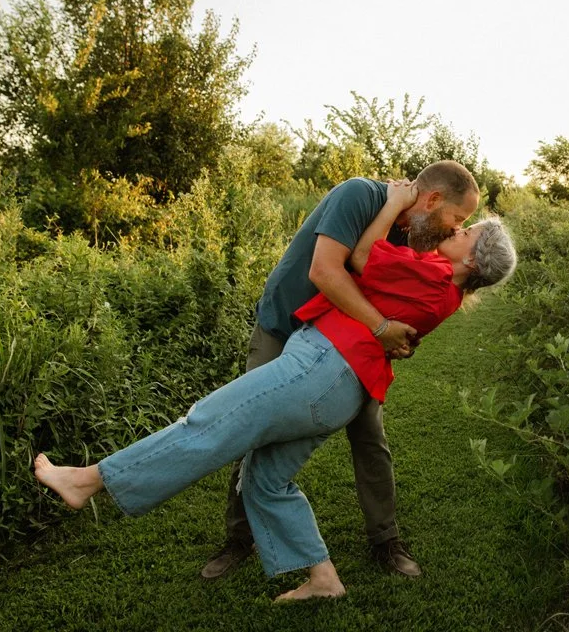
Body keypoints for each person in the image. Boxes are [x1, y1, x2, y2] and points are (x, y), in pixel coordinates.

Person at [34, 180, 517, 601]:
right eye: (461, 221)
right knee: (265, 480)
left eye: (467, 232)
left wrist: (392, 202)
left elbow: (363, 259)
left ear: (473, 259)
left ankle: (90, 480)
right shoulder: (439, 281)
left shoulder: (435, 276)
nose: (458, 230)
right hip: (334, 384)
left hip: (319, 368)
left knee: (211, 420)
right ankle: (322, 576)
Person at [199, 161, 480, 581]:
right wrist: (382, 327)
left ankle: (386, 540)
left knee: (370, 437)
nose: (453, 229)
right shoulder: (360, 196)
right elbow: (325, 270)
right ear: (434, 199)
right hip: (287, 323)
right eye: (457, 219)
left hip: (348, 343)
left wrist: (399, 336)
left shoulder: (416, 233)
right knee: (250, 424)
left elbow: (395, 289)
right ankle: (240, 538)